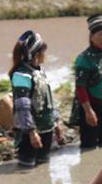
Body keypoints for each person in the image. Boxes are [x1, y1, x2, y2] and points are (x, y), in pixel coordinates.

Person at [10, 30, 63, 168]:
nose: (45, 54)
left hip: (46, 128)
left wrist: (56, 122)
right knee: (26, 169)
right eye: (43, 51)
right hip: (30, 133)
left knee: (43, 170)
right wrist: (32, 132)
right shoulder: (21, 75)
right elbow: (23, 107)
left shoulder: (39, 71)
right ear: (36, 54)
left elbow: (49, 100)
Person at [70, 14, 102, 149]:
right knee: (88, 146)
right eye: (101, 35)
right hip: (91, 107)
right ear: (92, 36)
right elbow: (80, 87)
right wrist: (88, 111)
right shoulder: (84, 59)